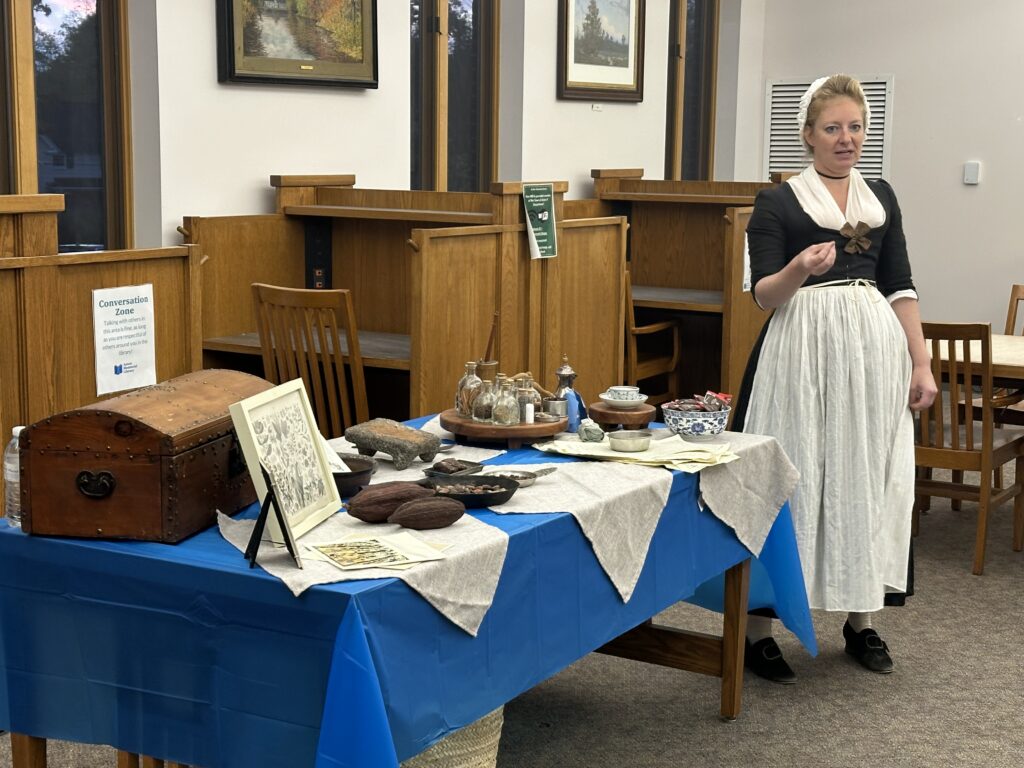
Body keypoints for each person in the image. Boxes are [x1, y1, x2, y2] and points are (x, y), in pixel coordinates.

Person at [734, 74, 937, 682]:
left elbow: (899, 284)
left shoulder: (881, 198)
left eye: (855, 127)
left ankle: (861, 620)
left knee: (867, 474)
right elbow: (764, 295)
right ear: (808, 135)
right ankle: (758, 630)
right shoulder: (777, 202)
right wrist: (798, 265)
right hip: (800, 356)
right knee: (790, 477)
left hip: (874, 357)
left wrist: (920, 361)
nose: (846, 139)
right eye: (833, 128)